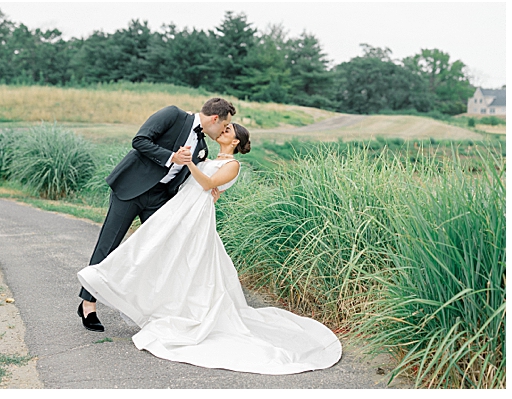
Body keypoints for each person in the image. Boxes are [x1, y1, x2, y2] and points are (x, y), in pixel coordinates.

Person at [78, 123, 342, 375]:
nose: (222, 131)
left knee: (188, 261)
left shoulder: (233, 164)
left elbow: (206, 184)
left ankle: (176, 308)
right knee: (155, 251)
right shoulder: (207, 156)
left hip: (197, 215)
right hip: (180, 208)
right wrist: (193, 167)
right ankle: (114, 290)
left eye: (227, 130)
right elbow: (197, 182)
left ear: (235, 141)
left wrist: (191, 163)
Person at [78, 98, 236, 332]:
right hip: (130, 189)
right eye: (224, 126)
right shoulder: (173, 115)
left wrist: (213, 189)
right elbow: (139, 141)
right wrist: (171, 157)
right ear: (214, 119)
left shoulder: (203, 149)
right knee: (108, 244)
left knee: (159, 251)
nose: (223, 130)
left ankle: (152, 309)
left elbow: (196, 177)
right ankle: (88, 304)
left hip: (160, 199)